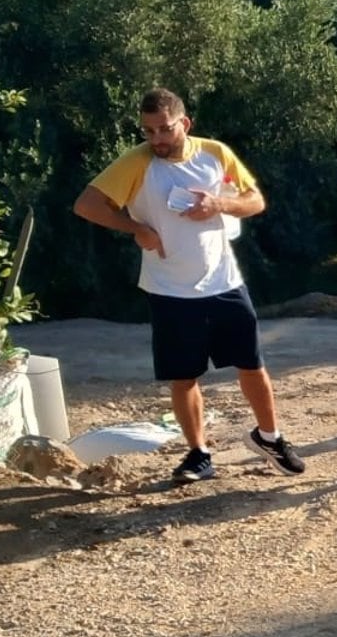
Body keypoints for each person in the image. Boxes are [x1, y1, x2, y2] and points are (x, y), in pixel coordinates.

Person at [72, 87, 307, 486]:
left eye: (164, 129)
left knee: (252, 366)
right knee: (184, 377)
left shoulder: (214, 153)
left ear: (185, 123)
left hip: (224, 281)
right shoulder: (136, 163)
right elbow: (86, 205)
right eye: (148, 131)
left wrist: (219, 204)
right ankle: (199, 454)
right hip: (168, 289)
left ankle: (270, 438)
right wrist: (137, 229)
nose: (157, 140)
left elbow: (254, 201)